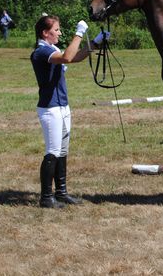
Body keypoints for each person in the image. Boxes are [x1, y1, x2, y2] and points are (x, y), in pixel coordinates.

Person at [30, 15, 109, 208]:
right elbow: (67, 57)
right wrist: (79, 32)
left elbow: (76, 56)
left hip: (62, 106)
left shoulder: (52, 49)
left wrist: (96, 42)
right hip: (50, 108)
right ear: (45, 33)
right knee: (52, 151)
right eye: (56, 30)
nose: (59, 33)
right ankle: (46, 197)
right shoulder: (41, 52)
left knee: (62, 151)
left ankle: (61, 192)